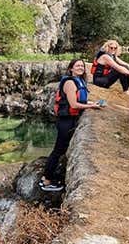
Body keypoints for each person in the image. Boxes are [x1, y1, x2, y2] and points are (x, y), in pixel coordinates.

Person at [40, 59, 102, 192]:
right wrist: (91, 106)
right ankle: (46, 181)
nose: (80, 68)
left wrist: (91, 102)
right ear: (71, 69)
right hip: (65, 121)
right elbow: (73, 105)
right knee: (58, 150)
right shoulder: (70, 83)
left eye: (82, 66)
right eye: (77, 66)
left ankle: (48, 176)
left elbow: (80, 100)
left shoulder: (79, 81)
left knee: (60, 150)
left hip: (70, 119)